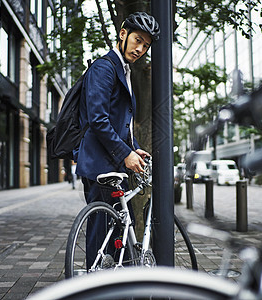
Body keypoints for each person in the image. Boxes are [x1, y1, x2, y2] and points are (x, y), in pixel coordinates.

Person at [73, 12, 160, 268]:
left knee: (120, 228)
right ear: (123, 34)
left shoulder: (123, 69)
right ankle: (93, 284)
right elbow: (98, 119)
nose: (141, 48)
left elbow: (119, 122)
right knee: (100, 232)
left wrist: (134, 148)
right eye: (137, 40)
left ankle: (118, 281)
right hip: (100, 163)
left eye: (146, 45)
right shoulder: (104, 67)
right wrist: (125, 153)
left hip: (113, 162)